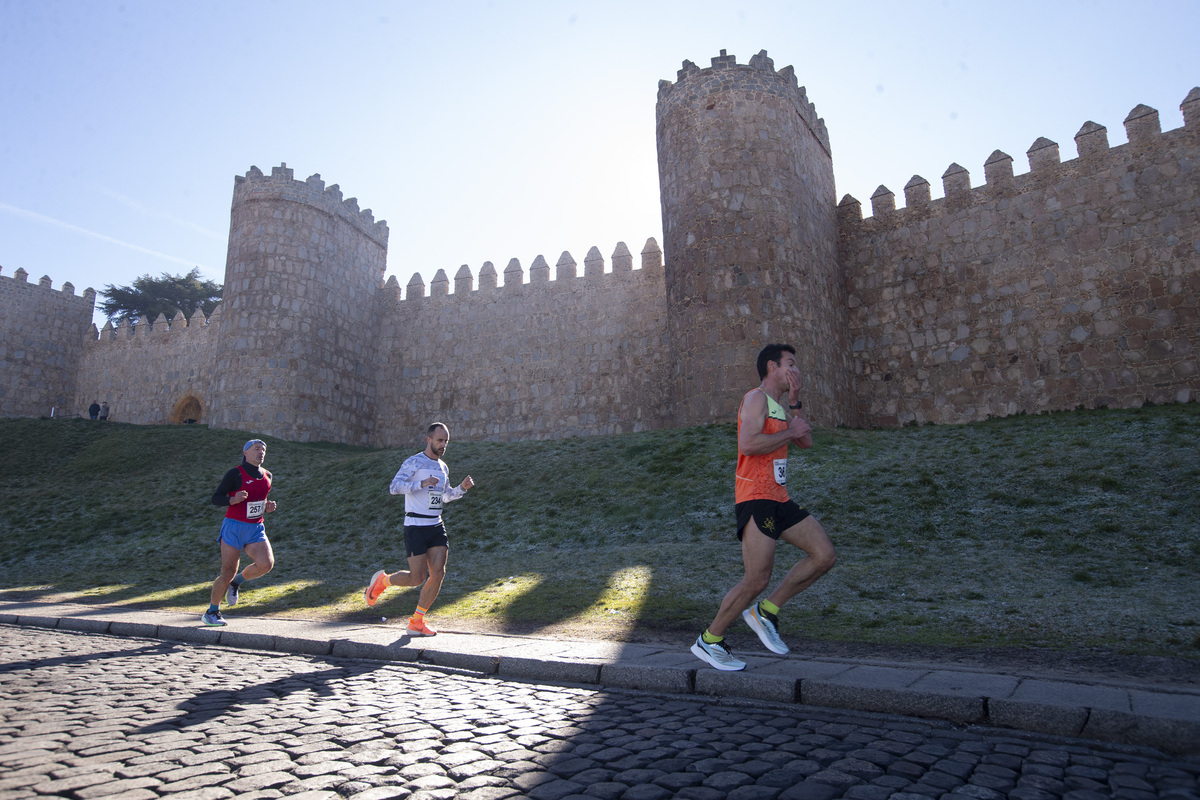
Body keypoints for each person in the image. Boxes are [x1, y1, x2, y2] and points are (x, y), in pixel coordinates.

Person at [691, 343, 838, 671]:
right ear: (772, 367)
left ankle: (766, 611)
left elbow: (806, 440)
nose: (795, 371)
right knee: (756, 578)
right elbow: (748, 443)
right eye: (790, 364)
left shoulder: (779, 407)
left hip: (779, 497)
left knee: (824, 554)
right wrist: (789, 432)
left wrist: (796, 405)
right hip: (755, 496)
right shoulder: (756, 398)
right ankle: (710, 640)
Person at [364, 422, 475, 636]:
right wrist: (421, 484)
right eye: (439, 440)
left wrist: (461, 489)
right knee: (417, 578)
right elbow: (394, 488)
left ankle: (417, 621)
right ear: (429, 440)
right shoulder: (414, 462)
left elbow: (444, 496)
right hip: (415, 525)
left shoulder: (443, 467)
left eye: (446, 441)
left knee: (439, 573)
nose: (443, 445)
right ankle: (382, 581)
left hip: (435, 525)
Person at [202, 439, 277, 626]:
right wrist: (232, 499)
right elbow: (216, 498)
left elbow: (259, 500)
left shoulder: (267, 475)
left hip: (255, 527)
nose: (261, 452)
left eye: (263, 450)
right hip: (234, 526)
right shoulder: (235, 474)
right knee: (227, 572)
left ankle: (237, 582)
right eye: (257, 449)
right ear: (246, 453)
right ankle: (212, 612)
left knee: (266, 564)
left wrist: (266, 507)